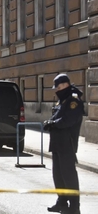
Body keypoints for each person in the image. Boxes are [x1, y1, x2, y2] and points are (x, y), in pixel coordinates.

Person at [43, 74, 84, 214]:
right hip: (57, 143)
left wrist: (53, 124)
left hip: (67, 143)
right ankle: (62, 202)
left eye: (59, 87)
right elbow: (56, 116)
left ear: (66, 85)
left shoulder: (74, 101)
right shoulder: (62, 101)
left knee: (69, 176)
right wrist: (49, 122)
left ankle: (74, 206)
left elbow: (68, 120)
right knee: (58, 176)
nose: (57, 91)